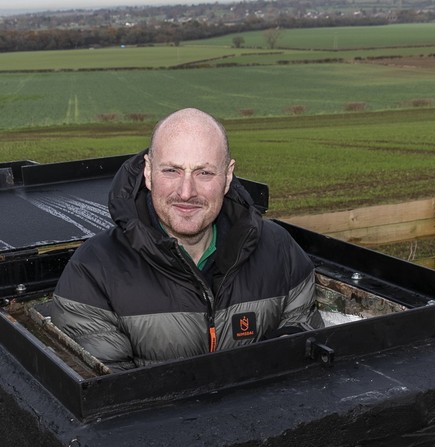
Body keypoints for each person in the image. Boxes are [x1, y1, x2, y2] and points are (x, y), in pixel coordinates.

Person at [52, 108, 321, 369]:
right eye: (172, 171)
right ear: (148, 172)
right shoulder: (92, 273)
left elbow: (302, 361)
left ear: (227, 176)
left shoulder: (280, 253)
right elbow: (112, 401)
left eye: (204, 173)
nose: (186, 192)